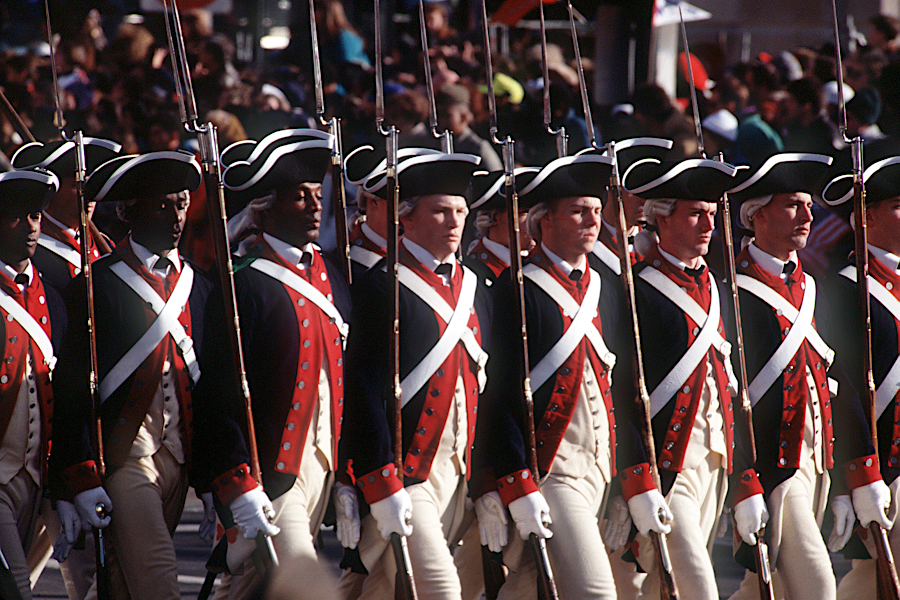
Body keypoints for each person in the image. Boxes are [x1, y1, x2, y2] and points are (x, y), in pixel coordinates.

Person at [474, 153, 670, 600]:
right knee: (595, 591)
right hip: (550, 471)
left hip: (599, 471)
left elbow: (625, 391)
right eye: (579, 211)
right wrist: (516, 481)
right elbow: (501, 396)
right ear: (544, 220)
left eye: (597, 210)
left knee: (526, 588)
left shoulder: (607, 288)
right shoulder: (516, 289)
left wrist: (635, 478)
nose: (593, 220)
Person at [724, 153, 891, 599]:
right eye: (792, 205)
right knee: (817, 584)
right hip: (773, 469)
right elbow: (728, 399)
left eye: (808, 205)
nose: (807, 215)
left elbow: (840, 387)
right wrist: (744, 482)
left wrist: (858, 475)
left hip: (818, 464)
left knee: (766, 590)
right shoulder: (733, 295)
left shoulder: (812, 289)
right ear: (756, 215)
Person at [49, 150, 211, 600]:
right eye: (162, 205)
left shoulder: (201, 287)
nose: (176, 217)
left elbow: (215, 392)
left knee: (121, 584)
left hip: (179, 456)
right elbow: (72, 393)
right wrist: (79, 476)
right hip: (124, 457)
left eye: (181, 204)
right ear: (128, 212)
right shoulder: (94, 286)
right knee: (158, 578)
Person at [196, 128, 350, 599]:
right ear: (266, 208)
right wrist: (237, 483)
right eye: (300, 196)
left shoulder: (333, 275)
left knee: (251, 589)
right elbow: (219, 394)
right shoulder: (243, 285)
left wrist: (347, 475)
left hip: (322, 467)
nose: (315, 206)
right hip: (270, 475)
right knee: (300, 585)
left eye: (317, 194)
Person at [337, 150, 486, 600]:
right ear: (406, 217)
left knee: (376, 590)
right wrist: (380, 480)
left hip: (457, 473)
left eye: (460, 211)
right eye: (440, 211)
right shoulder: (380, 286)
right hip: (406, 471)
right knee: (441, 589)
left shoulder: (474, 288)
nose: (454, 221)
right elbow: (363, 391)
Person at [618, 157, 768, 600]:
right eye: (695, 214)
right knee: (699, 586)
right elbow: (623, 394)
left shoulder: (720, 290)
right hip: (667, 465)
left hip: (713, 464)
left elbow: (733, 391)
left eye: (711, 213)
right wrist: (637, 478)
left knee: (668, 590)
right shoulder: (637, 290)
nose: (708, 225)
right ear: (661, 219)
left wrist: (745, 478)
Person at [821, 148, 900, 600]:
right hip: (886, 464)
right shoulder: (843, 289)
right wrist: (860, 474)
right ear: (866, 217)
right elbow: (844, 391)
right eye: (898, 206)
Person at [0, 169, 67, 600]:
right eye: (17, 216)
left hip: (38, 480)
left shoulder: (53, 299)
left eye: (36, 216)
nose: (30, 226)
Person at [11, 138, 121, 292]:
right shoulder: (31, 249)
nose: (89, 194)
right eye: (78, 186)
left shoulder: (103, 243)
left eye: (91, 186)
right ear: (52, 193)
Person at [465, 167, 536, 288]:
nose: (533, 219)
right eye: (524, 212)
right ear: (493, 218)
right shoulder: (474, 271)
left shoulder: (533, 263)